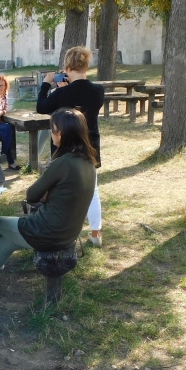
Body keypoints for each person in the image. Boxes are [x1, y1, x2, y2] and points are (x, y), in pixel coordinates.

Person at [0, 108, 97, 290]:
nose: (51, 133)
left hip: (44, 232)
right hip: (68, 234)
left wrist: (47, 195)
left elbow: (31, 195)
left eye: (52, 129)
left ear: (61, 133)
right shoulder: (88, 161)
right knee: (8, 242)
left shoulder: (63, 163)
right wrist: (50, 195)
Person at [36, 46, 106, 247]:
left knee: (61, 190)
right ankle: (95, 233)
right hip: (89, 144)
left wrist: (46, 84)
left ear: (67, 67)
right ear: (86, 66)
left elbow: (42, 107)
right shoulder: (98, 90)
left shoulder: (62, 93)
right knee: (92, 190)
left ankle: (63, 231)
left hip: (64, 146)